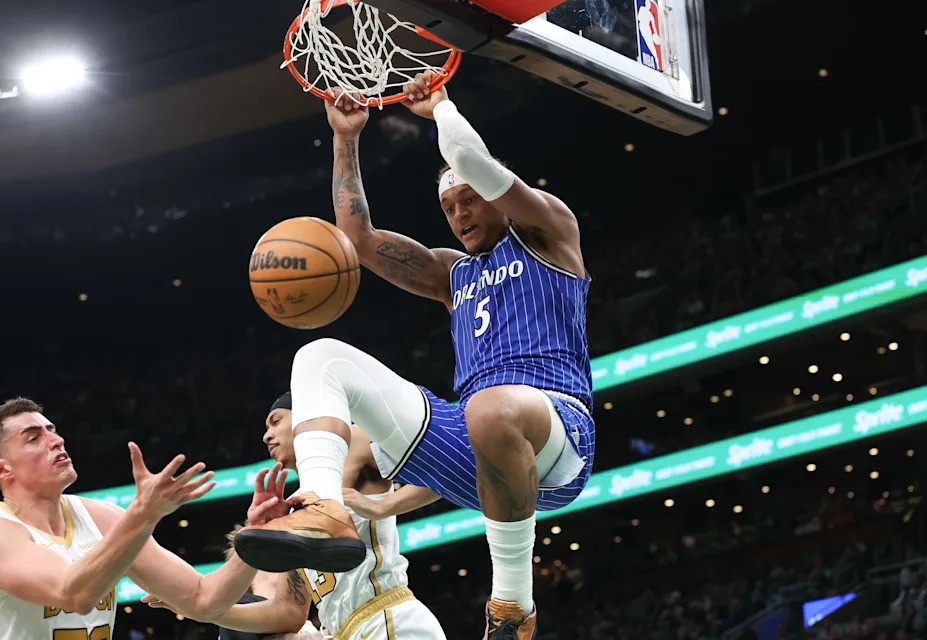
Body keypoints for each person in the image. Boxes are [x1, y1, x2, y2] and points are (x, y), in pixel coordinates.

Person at [235, 75, 595, 640]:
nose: (460, 213)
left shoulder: (552, 233)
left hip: (558, 436)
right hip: (471, 439)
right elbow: (356, 235)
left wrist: (443, 106)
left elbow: (472, 161)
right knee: (320, 355)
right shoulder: (453, 274)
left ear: (499, 195)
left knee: (491, 408)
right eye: (449, 206)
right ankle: (325, 507)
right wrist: (345, 139)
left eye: (470, 199)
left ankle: (512, 607)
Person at [145, 392, 446, 640]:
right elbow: (288, 613)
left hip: (387, 619)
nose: (266, 436)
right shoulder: (298, 513)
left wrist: (383, 506)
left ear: (304, 418)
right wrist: (202, 607)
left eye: (276, 421)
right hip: (346, 632)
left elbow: (452, 466)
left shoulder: (351, 443)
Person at [0, 396, 295, 639]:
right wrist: (143, 515)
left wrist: (257, 533)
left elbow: (202, 599)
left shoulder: (101, 518)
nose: (57, 440)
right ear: (4, 470)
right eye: (34, 438)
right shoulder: (4, 530)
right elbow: (73, 593)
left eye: (52, 430)